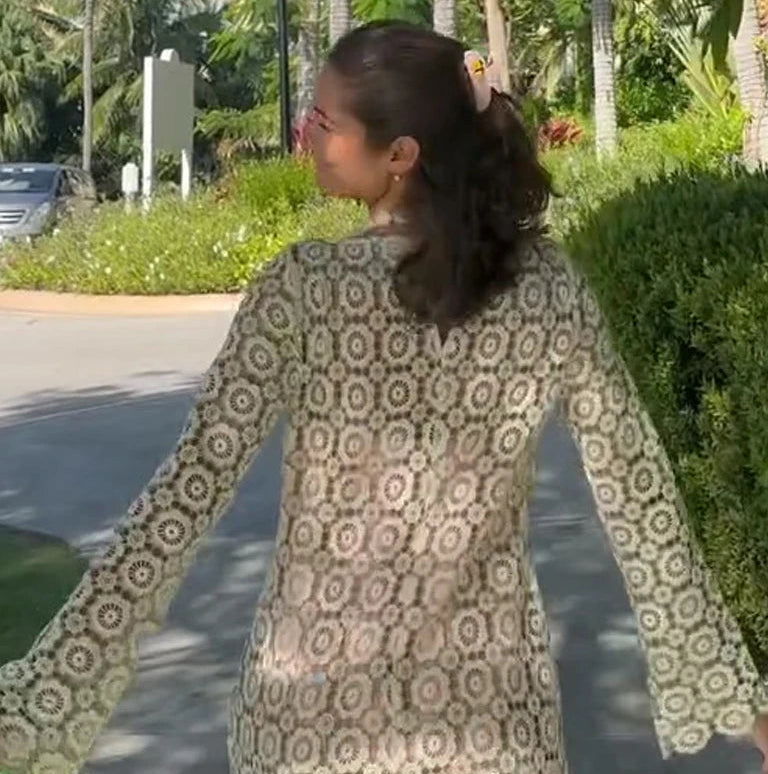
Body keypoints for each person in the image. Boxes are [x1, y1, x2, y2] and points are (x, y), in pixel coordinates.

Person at [2, 20, 768, 774]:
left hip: (309, 725)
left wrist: (34, 706)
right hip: (493, 725)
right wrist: (745, 703)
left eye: (326, 121)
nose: (305, 134)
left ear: (401, 154)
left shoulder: (303, 289)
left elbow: (179, 504)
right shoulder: (546, 288)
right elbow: (641, 501)